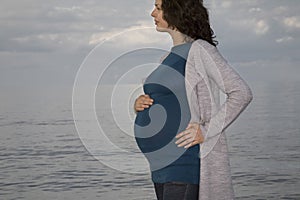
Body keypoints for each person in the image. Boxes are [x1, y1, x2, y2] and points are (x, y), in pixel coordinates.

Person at [134, 0, 253, 199]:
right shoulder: (167, 58)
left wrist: (206, 131)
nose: (152, 13)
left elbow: (241, 92)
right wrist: (139, 104)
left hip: (183, 162)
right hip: (160, 165)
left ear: (176, 11)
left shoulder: (200, 50)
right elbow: (168, 98)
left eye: (158, 7)